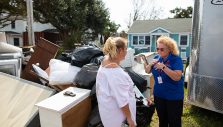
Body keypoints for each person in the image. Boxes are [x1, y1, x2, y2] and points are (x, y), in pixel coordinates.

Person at [144, 36, 184, 127]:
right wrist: (150, 64)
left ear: (170, 49)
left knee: (174, 122)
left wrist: (164, 67)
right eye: (157, 48)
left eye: (162, 49)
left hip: (173, 97)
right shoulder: (157, 57)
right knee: (162, 121)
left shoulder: (176, 59)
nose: (159, 51)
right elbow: (147, 71)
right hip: (159, 95)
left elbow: (177, 77)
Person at [96, 37, 136, 127]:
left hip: (108, 114)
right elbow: (122, 101)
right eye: (126, 49)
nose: (127, 51)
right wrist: (130, 119)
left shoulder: (106, 61)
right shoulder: (115, 73)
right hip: (119, 118)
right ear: (121, 50)